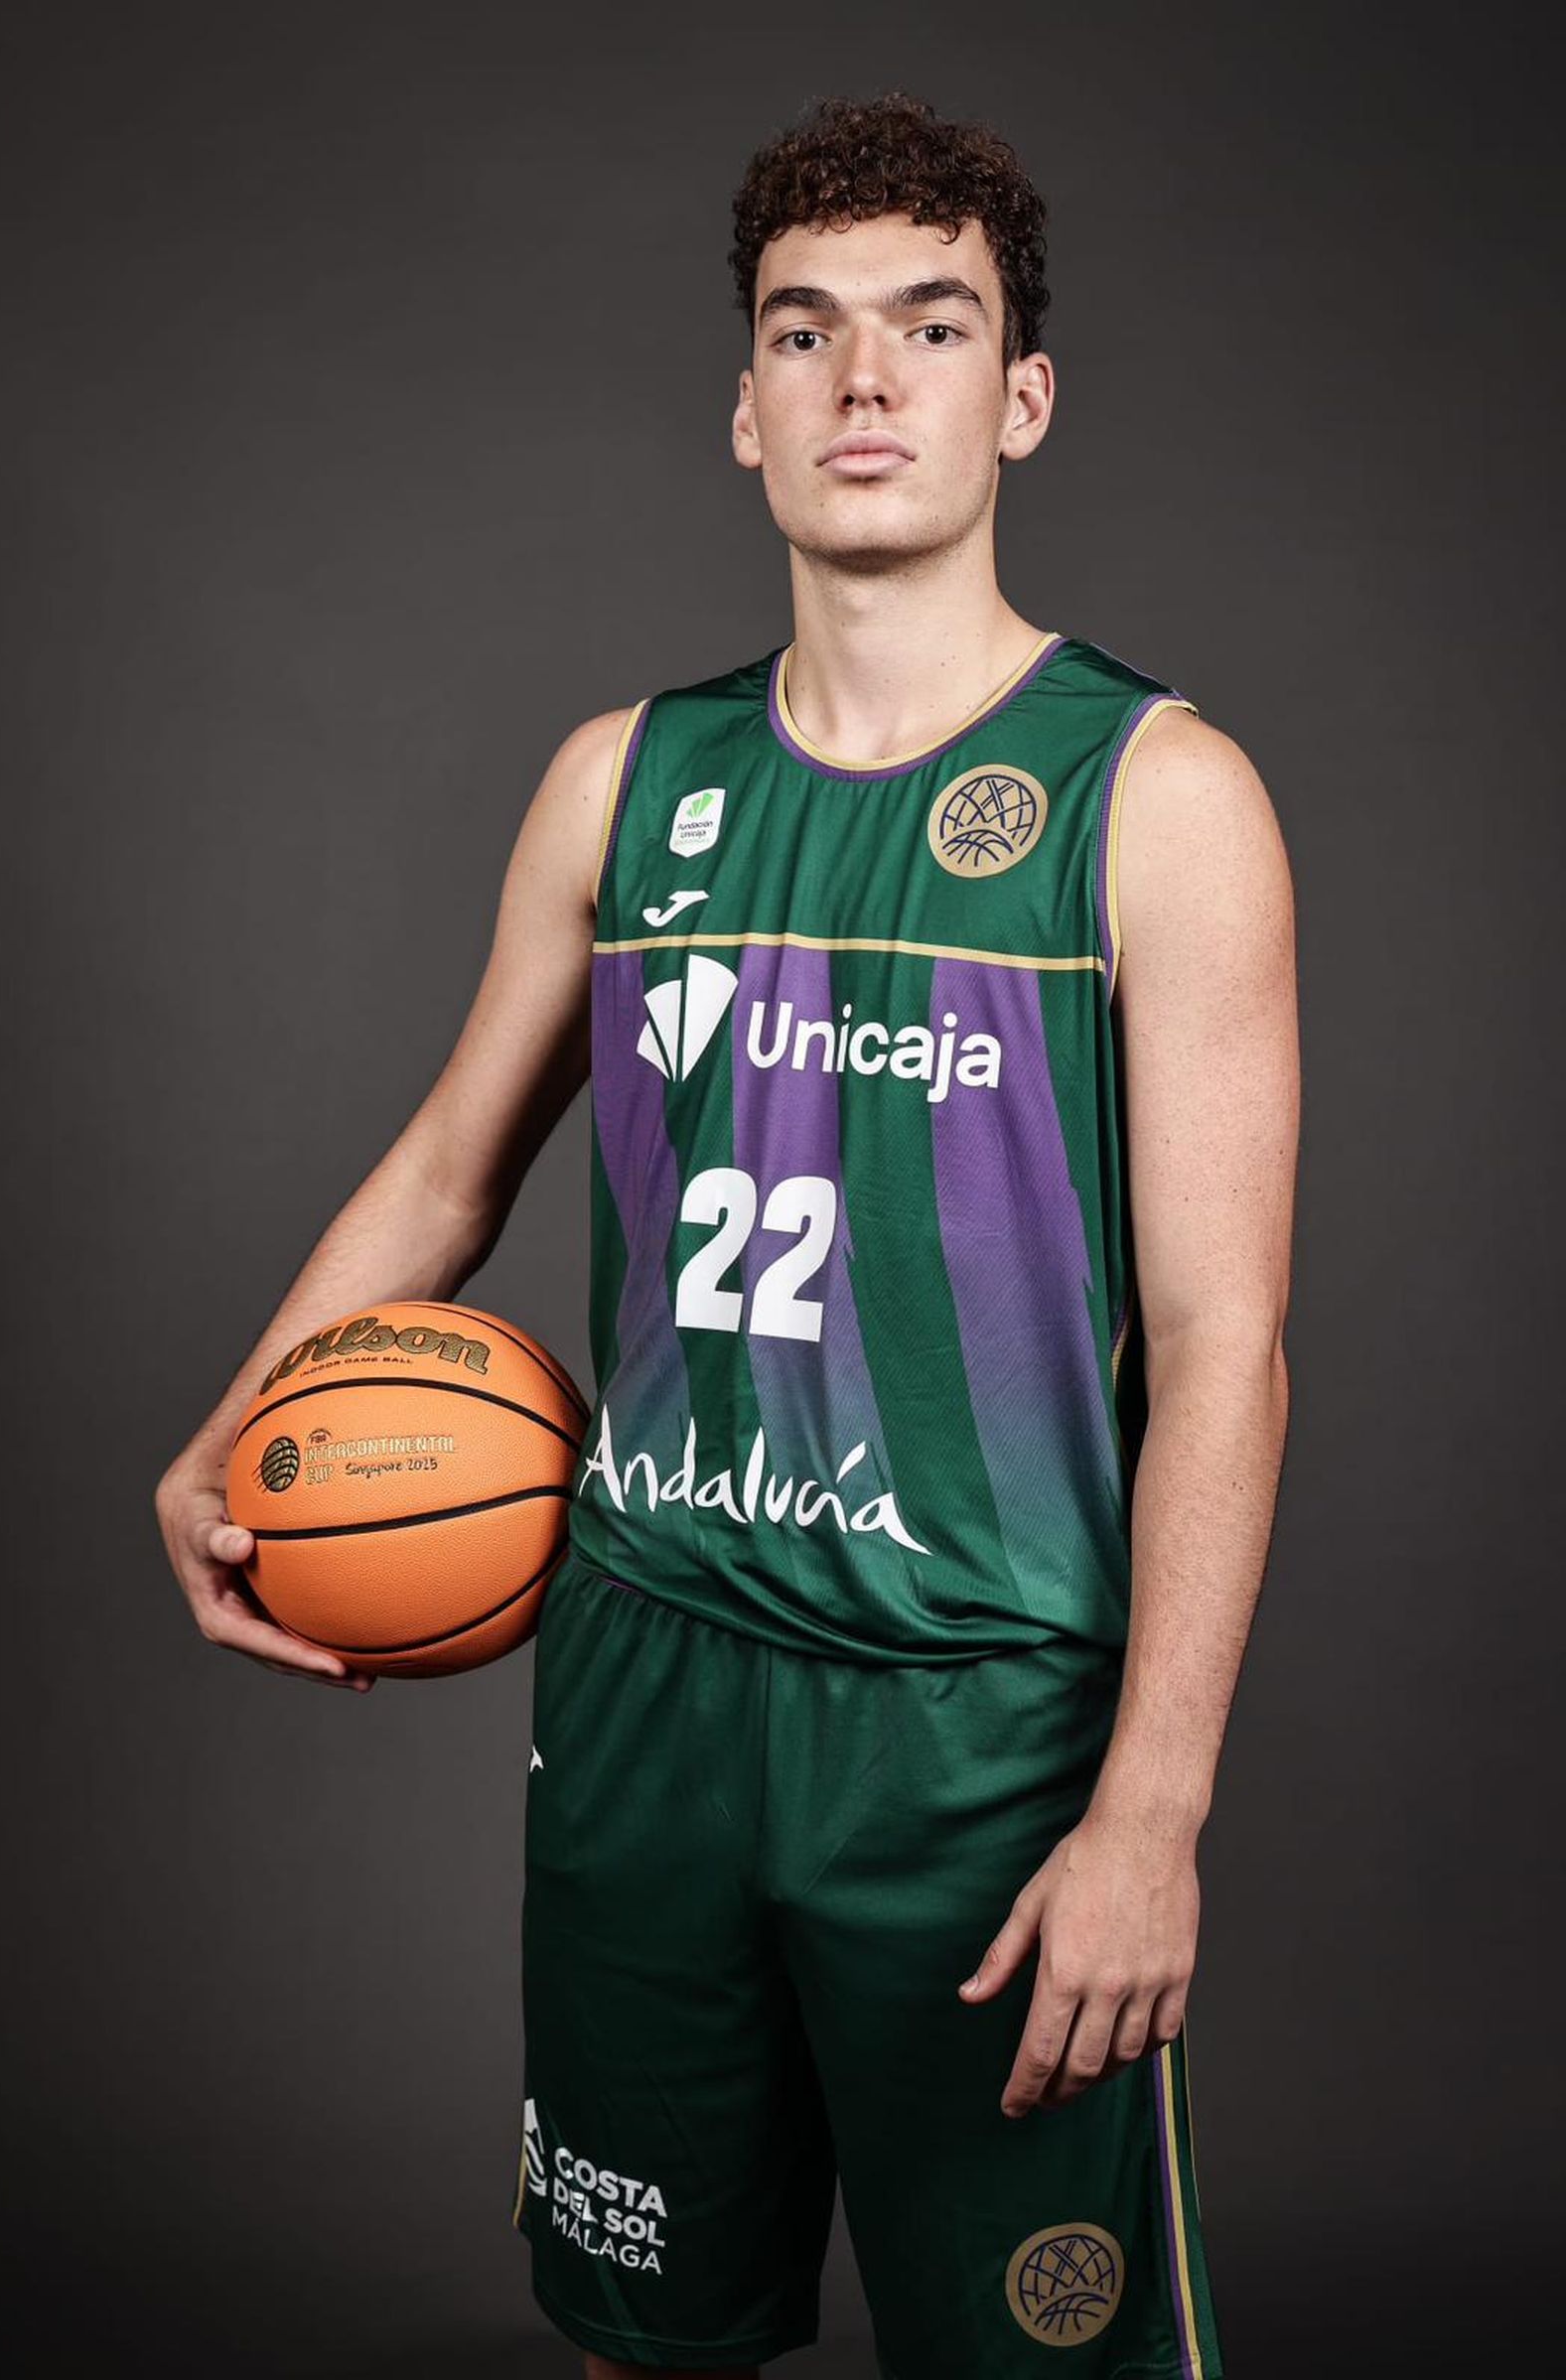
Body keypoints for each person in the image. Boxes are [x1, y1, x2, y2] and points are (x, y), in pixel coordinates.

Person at [155, 88, 1297, 2380]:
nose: (864, 379)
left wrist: (1149, 1807)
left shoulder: (1150, 801)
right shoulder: (622, 780)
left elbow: (1222, 1338)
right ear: (745, 404)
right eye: (807, 331)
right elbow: (449, 1168)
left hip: (972, 1726)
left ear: (1020, 396)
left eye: (928, 325)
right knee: (640, 2334)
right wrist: (238, 1430)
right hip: (645, 1680)